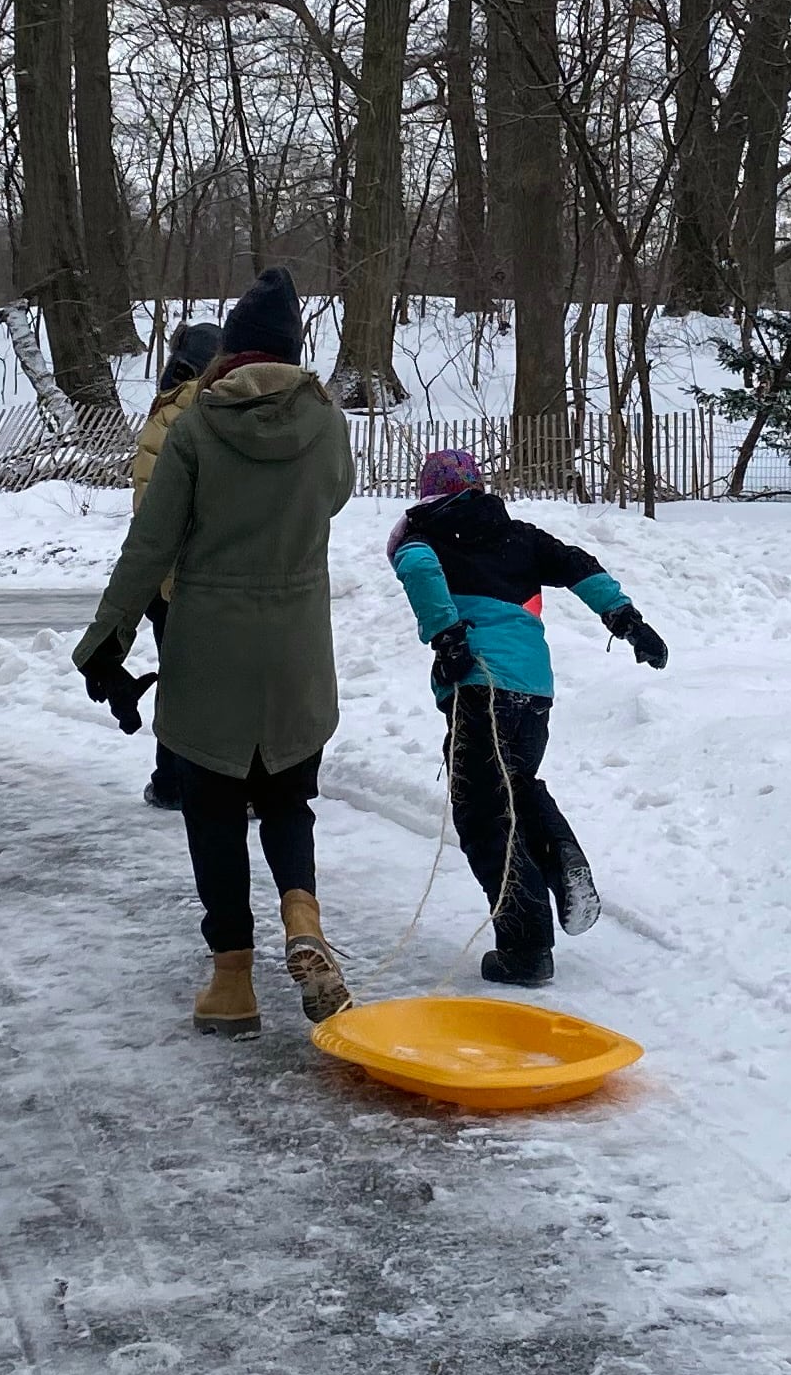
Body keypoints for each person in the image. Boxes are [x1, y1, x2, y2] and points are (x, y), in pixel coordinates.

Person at [76, 266, 355, 1035]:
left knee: (214, 813)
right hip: (297, 652)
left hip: (209, 656)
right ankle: (302, 912)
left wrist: (107, 642)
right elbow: (335, 493)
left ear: (231, 351)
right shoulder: (329, 423)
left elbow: (150, 544)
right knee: (288, 800)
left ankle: (233, 980)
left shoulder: (196, 425)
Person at [387, 450, 669, 987]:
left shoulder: (426, 532)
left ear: (429, 492)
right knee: (512, 786)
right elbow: (579, 565)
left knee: (482, 816)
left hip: (478, 685)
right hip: (533, 691)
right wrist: (628, 621)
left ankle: (525, 949)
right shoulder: (520, 536)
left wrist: (447, 638)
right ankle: (560, 851)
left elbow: (419, 568)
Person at [125, 318, 221, 811]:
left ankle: (172, 780)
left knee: (180, 680)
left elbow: (150, 506)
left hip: (169, 578)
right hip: (216, 574)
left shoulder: (165, 414)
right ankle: (209, 782)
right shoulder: (218, 412)